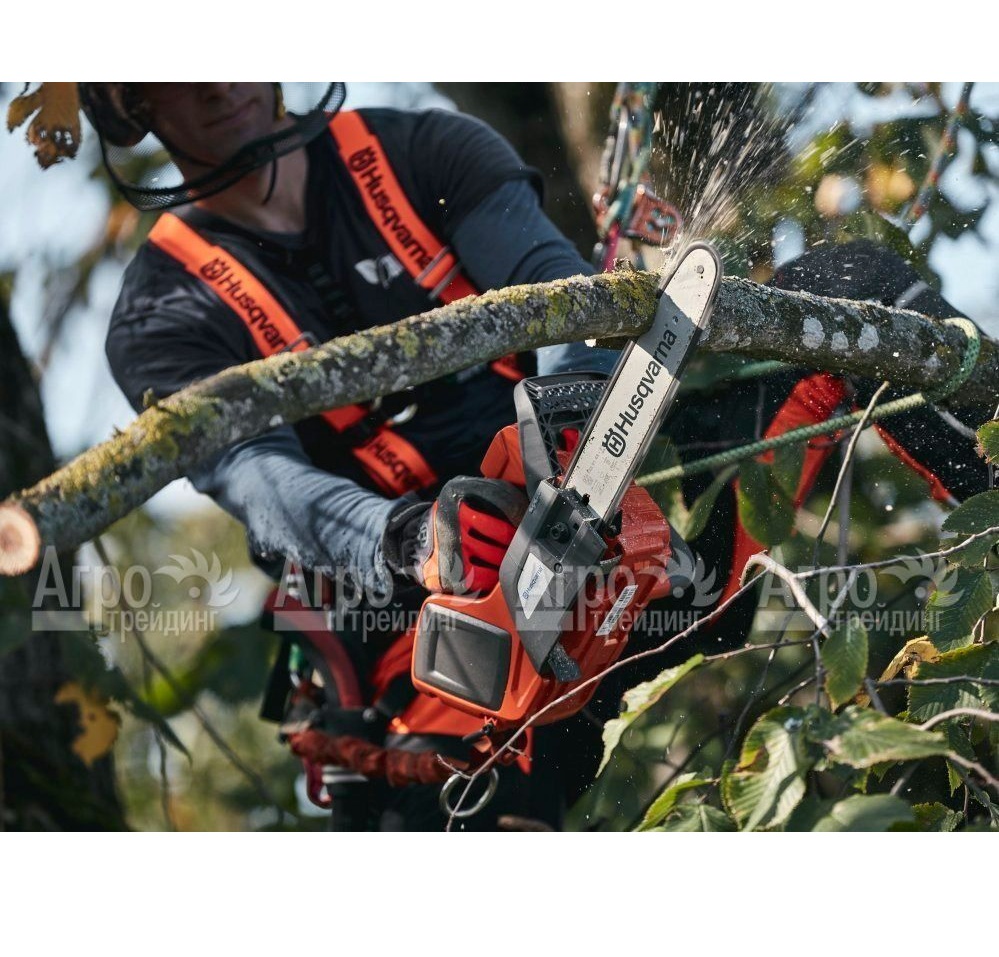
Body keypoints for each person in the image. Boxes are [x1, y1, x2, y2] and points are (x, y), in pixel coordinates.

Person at [85, 82, 991, 831]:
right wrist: (409, 539)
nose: (218, 82)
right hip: (435, 656)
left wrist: (574, 430)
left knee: (860, 290)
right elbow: (261, 481)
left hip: (625, 546)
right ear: (131, 105)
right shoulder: (162, 314)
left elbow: (557, 294)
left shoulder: (419, 152)